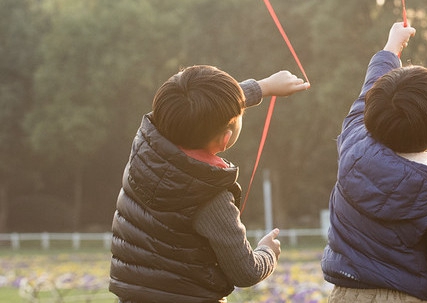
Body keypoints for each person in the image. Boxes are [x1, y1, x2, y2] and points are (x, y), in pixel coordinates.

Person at [109, 65, 310, 302]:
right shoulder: (208, 195)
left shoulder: (145, 147)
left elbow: (198, 109)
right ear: (225, 138)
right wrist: (267, 252)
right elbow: (246, 272)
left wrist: (263, 86)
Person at [321, 22, 427, 303]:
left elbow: (369, 88)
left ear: (370, 113)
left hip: (345, 295)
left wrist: (391, 48)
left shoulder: (354, 143)